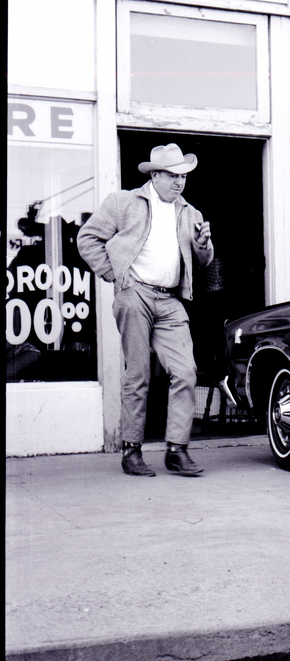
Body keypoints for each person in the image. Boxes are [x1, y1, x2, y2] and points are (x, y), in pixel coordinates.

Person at [78, 143, 214, 477]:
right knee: (137, 373)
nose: (179, 182)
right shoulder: (123, 202)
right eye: (172, 175)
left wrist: (203, 245)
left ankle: (176, 451)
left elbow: (202, 261)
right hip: (135, 294)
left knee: (185, 372)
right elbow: (87, 238)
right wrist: (114, 274)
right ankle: (132, 451)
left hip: (170, 300)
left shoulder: (191, 213)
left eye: (183, 176)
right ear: (154, 176)